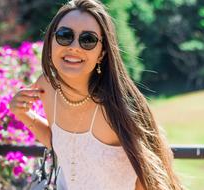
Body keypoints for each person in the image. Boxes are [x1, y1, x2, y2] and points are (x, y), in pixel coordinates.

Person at [10, 0, 183, 189]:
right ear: (51, 41)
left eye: (88, 40)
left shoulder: (119, 105)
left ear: (102, 53)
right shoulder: (46, 87)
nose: (74, 47)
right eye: (64, 35)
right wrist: (23, 114)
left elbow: (151, 173)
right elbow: (65, 146)